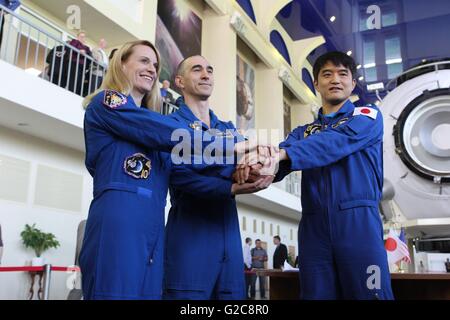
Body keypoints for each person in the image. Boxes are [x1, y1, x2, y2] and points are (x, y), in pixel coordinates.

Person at [79, 41, 260, 300]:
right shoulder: (108, 103)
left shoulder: (154, 126)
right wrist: (235, 145)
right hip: (118, 219)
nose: (151, 69)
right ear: (121, 64)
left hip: (153, 223)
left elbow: (181, 175)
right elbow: (170, 134)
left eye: (154, 64)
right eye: (143, 61)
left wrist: (232, 184)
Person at [239, 51, 394, 300]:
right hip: (313, 228)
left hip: (358, 223)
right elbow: (279, 165)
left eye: (343, 74)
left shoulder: (367, 116)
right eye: (327, 74)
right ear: (316, 83)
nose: (335, 79)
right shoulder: (303, 132)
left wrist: (278, 154)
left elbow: (334, 142)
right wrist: (255, 164)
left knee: (371, 294)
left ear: (352, 83)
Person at [162, 55, 274, 300]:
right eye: (197, 70)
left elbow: (251, 160)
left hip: (229, 244)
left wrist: (251, 163)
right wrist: (231, 183)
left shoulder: (227, 128)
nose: (206, 74)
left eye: (210, 70)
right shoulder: (170, 125)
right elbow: (180, 174)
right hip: (190, 240)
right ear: (179, 81)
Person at [68, 30, 92, 96]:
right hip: (75, 63)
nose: (82, 38)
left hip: (83, 66)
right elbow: (71, 48)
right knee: (74, 80)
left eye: (83, 37)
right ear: (77, 37)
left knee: (80, 81)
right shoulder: (75, 41)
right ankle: (71, 93)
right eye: (81, 36)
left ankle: (76, 94)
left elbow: (90, 55)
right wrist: (79, 50)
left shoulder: (87, 47)